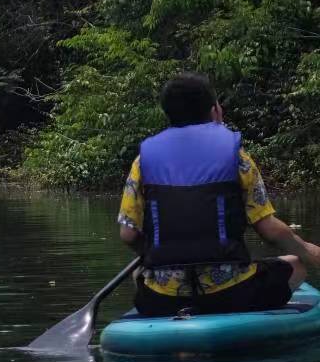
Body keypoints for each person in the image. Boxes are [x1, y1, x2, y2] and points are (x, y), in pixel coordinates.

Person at [118, 72, 320, 316]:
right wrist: (309, 251)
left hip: (161, 301)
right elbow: (270, 230)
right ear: (215, 111)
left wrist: (154, 254)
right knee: (296, 265)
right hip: (233, 295)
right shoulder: (237, 158)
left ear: (168, 115)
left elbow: (128, 235)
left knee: (138, 273)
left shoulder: (143, 163)